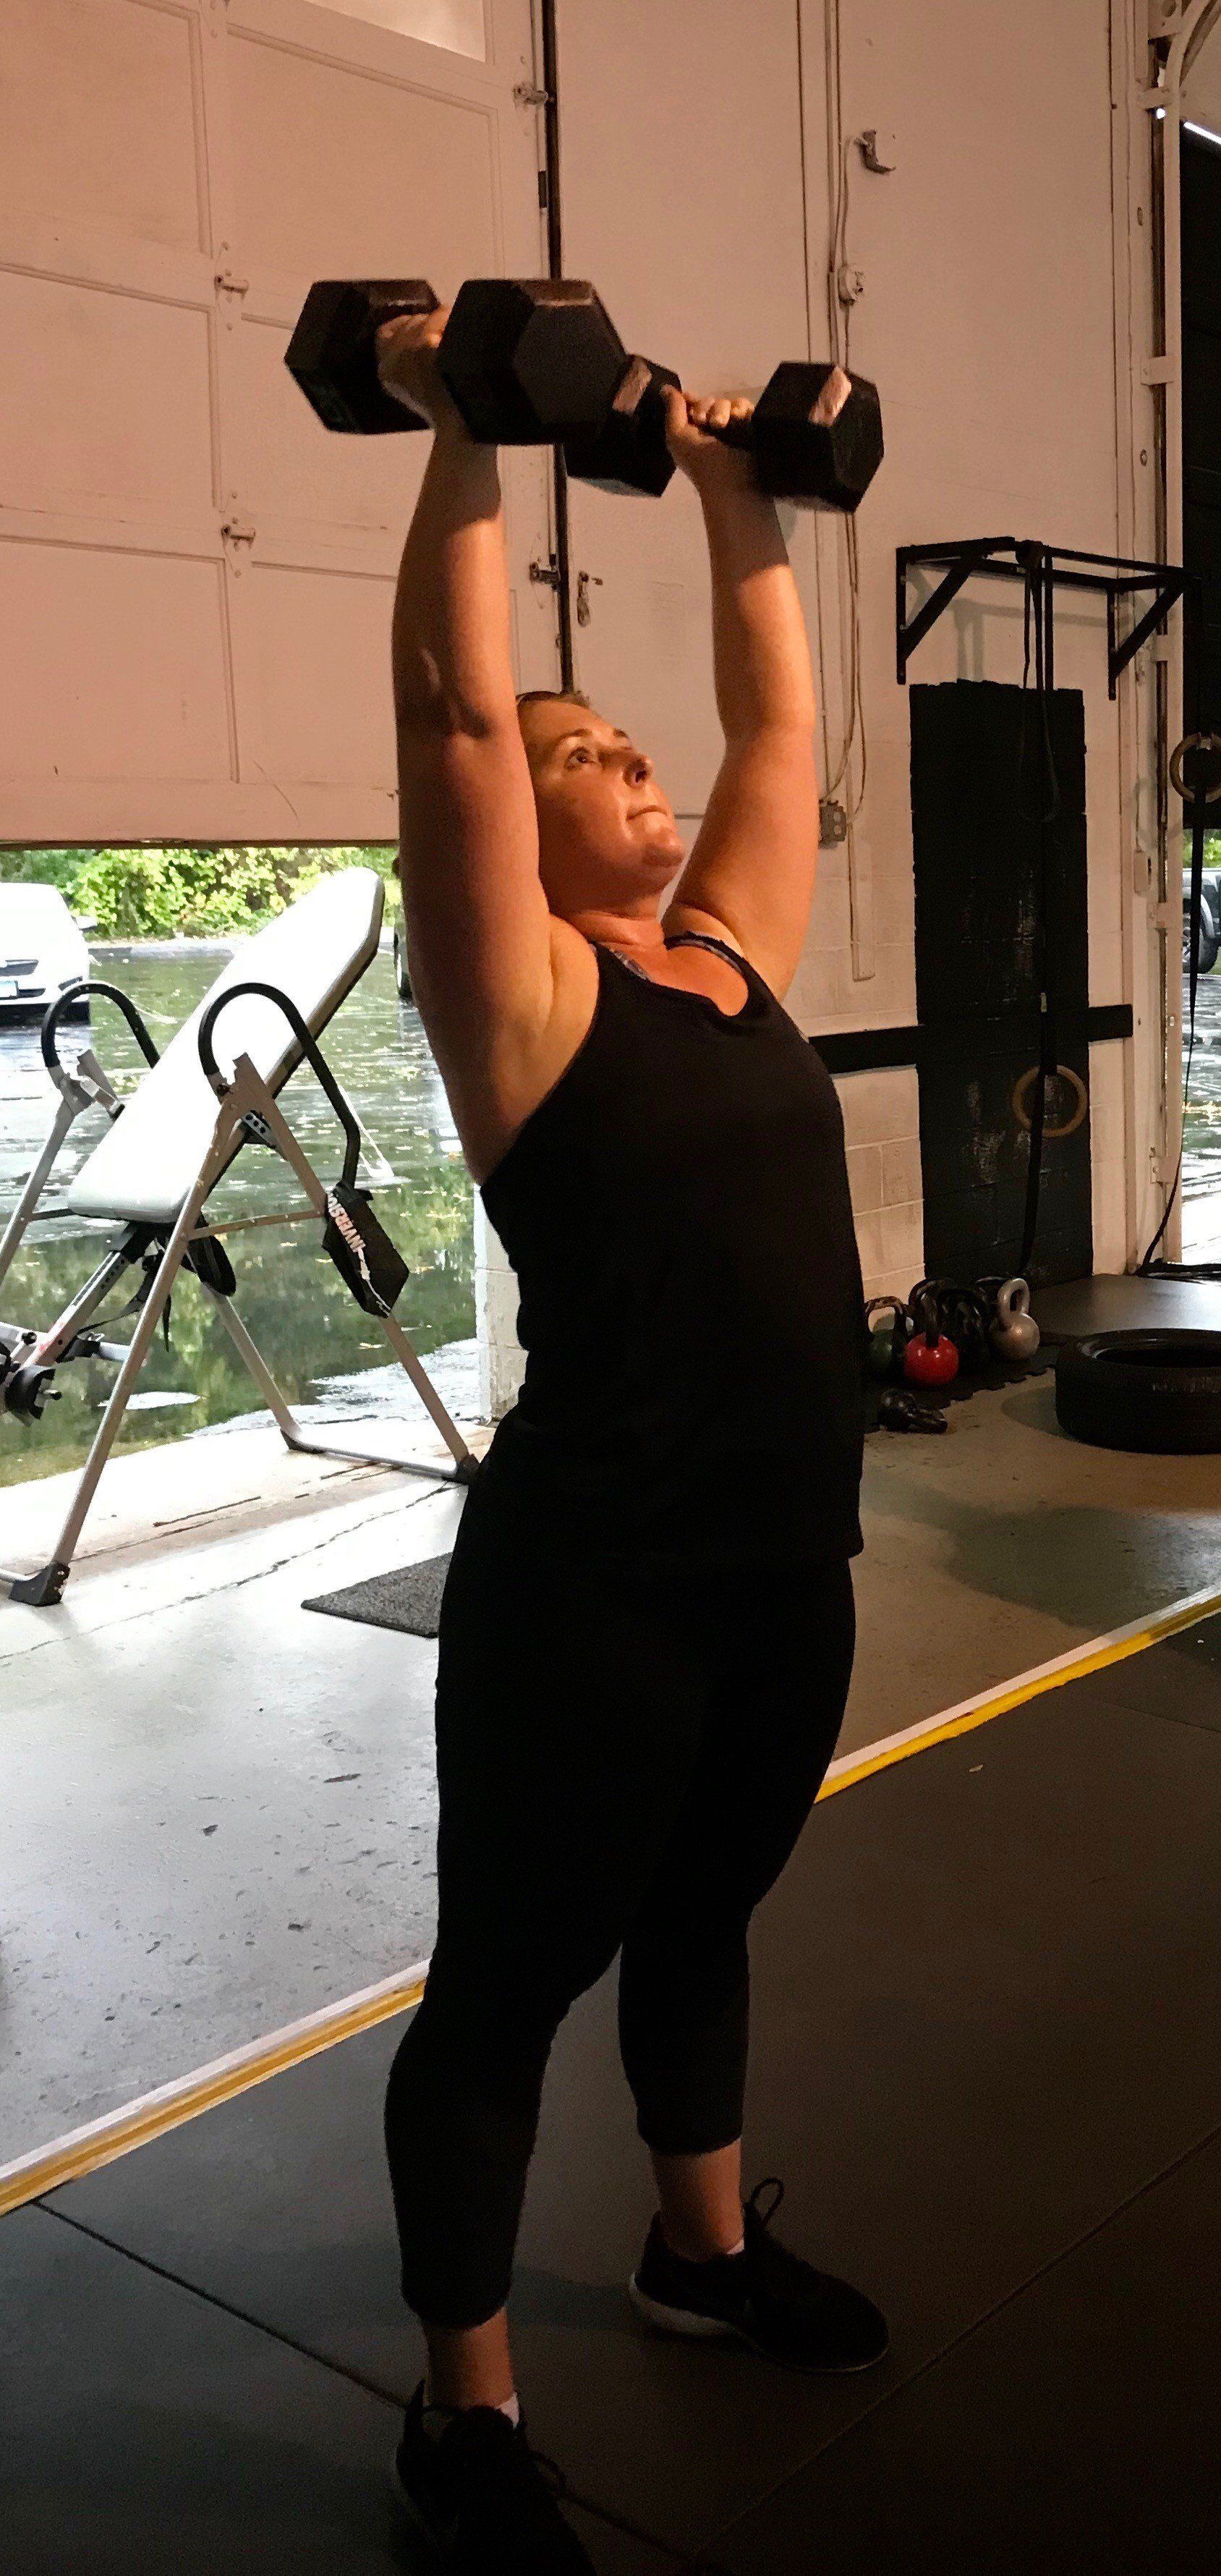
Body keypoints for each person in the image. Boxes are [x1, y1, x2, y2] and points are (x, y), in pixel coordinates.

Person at [376, 302, 886, 2572]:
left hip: (792, 1559)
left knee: (710, 1914)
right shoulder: (525, 1000)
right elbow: (457, 708)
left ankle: (697, 2253)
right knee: (508, 1985)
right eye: (592, 751)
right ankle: (465, 2412)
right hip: (597, 1579)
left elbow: (787, 711)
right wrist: (466, 432)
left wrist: (724, 482)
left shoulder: (733, 954)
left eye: (628, 745)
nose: (634, 760)